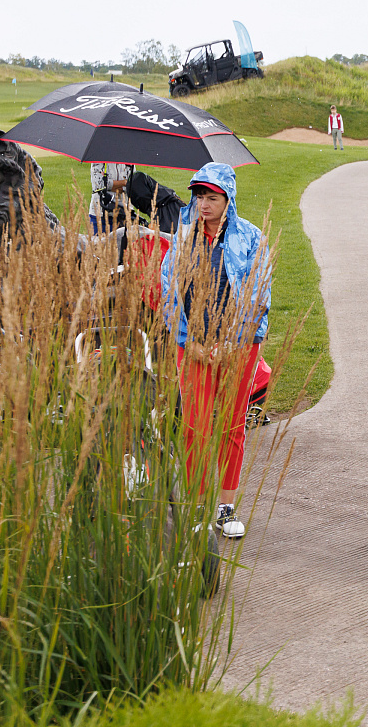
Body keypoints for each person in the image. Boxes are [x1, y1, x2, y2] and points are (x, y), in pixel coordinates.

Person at [159, 162, 271, 540]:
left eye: (211, 197)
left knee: (232, 426)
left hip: (239, 346)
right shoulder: (183, 239)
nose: (203, 204)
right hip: (192, 346)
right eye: (198, 197)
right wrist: (190, 342)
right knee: (195, 425)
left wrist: (232, 342)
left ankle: (225, 507)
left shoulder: (250, 237)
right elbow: (169, 292)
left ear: (227, 199)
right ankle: (195, 507)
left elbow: (259, 295)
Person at [89, 161, 134, 233]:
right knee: (98, 243)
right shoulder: (99, 158)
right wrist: (124, 183)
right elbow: (99, 185)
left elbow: (132, 184)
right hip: (100, 215)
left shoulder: (129, 158)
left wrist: (109, 185)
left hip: (123, 215)